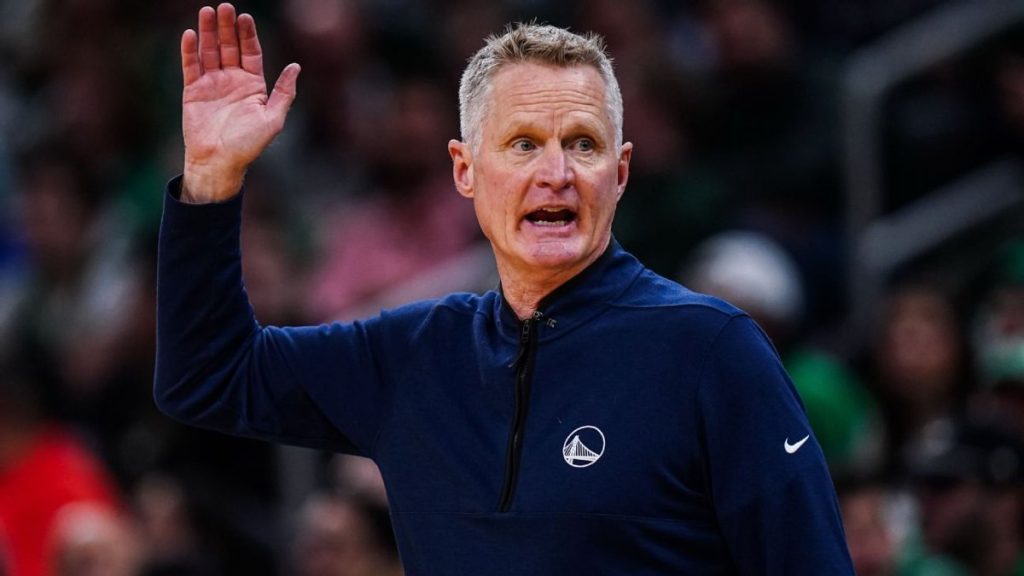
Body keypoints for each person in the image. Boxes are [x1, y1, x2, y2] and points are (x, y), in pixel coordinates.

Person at [156, 4, 854, 574]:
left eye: (582, 143)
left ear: (621, 170)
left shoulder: (712, 351)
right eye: (522, 143)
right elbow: (206, 376)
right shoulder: (412, 357)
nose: (557, 172)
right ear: (464, 169)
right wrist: (212, 180)